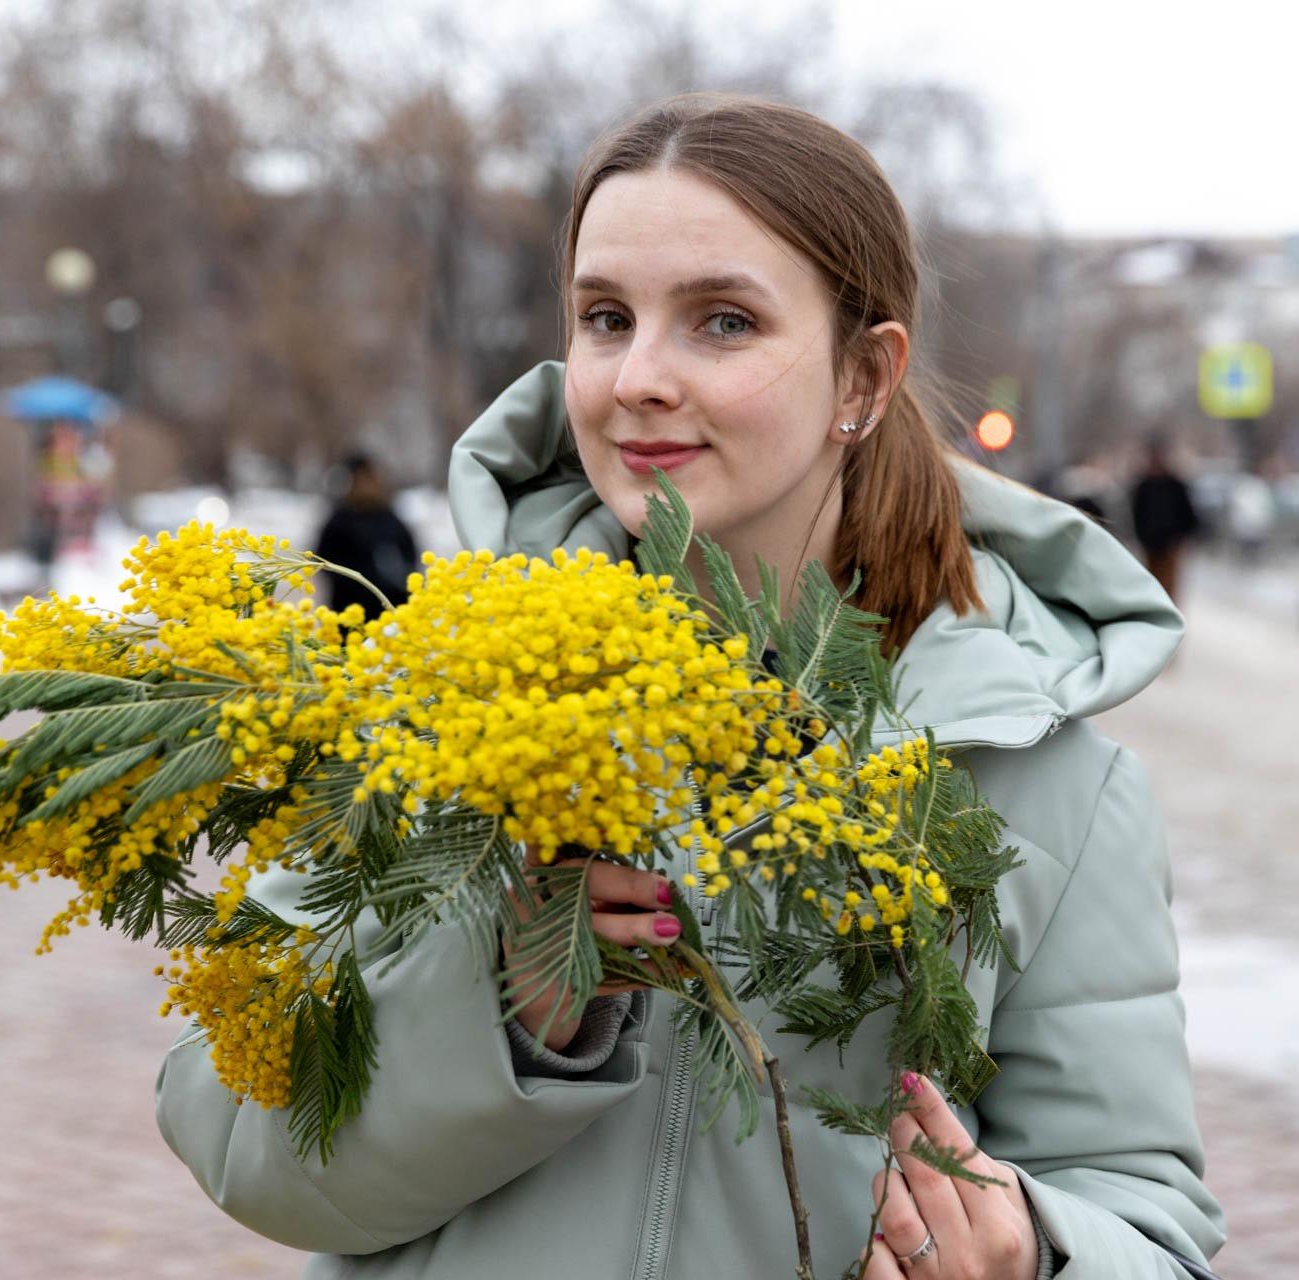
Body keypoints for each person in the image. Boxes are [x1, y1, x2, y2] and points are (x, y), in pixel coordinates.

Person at [156, 94, 1225, 1280]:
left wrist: (1033, 1249)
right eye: (605, 318)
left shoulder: (1049, 790)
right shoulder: (435, 702)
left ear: (865, 377)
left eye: (722, 321)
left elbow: (1148, 1223)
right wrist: (505, 1015)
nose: (638, 379)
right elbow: (244, 1136)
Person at [313, 451, 419, 618]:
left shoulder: (389, 517)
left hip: (389, 608)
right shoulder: (340, 520)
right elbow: (322, 559)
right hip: (349, 609)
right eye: (363, 479)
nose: (368, 485)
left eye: (371, 478)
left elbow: (409, 554)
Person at [1128, 436, 1202, 602]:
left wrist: (1181, 537)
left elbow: (1187, 513)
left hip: (1171, 544)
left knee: (1169, 586)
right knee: (1153, 583)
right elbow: (1136, 514)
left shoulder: (1175, 485)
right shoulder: (1143, 486)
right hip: (1150, 544)